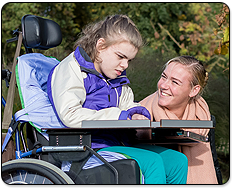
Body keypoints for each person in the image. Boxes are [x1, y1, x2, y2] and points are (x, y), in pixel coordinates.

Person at [47, 14, 188, 184]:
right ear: (100, 45)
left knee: (177, 161)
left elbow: (128, 105)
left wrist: (136, 114)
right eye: (120, 57)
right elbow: (70, 115)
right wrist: (119, 115)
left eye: (129, 60)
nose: (125, 65)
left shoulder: (113, 76)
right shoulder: (71, 69)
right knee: (152, 162)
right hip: (87, 149)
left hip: (116, 143)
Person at [140, 55, 218, 184]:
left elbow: (214, 164)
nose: (164, 86)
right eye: (164, 77)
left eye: (175, 82)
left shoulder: (203, 119)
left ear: (194, 90)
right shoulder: (141, 112)